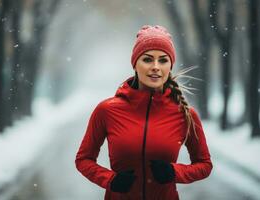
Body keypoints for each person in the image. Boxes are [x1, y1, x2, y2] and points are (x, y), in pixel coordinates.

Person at [75, 25, 213, 200]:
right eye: (147, 59)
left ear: (170, 66)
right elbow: (83, 159)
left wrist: (174, 172)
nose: (155, 67)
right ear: (135, 64)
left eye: (163, 60)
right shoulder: (107, 110)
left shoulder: (186, 114)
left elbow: (204, 165)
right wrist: (110, 180)